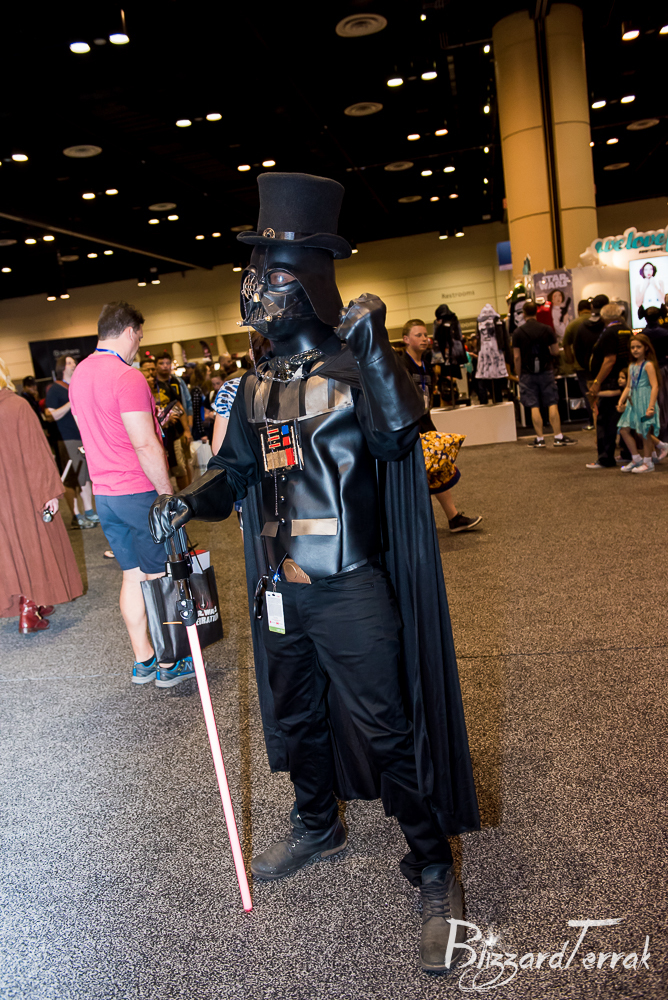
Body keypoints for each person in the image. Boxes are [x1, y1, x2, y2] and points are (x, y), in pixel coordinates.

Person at [150, 172, 480, 974]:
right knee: (294, 713)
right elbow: (234, 474)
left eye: (271, 274)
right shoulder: (253, 385)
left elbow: (401, 443)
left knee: (387, 725)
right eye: (254, 272)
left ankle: (431, 864)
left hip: (349, 582)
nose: (255, 289)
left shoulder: (358, 365)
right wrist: (188, 502)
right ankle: (316, 822)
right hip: (278, 588)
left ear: (311, 283)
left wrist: (378, 350)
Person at [69, 302, 195, 688]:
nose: (139, 343)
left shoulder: (79, 374)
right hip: (139, 492)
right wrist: (167, 495)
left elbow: (100, 431)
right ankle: (170, 662)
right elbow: (143, 444)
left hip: (106, 495)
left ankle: (144, 660)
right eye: (139, 335)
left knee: (132, 575)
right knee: (159, 576)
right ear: (128, 331)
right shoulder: (128, 376)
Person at [0, 358, 83, 634]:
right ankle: (29, 609)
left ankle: (36, 599)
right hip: (23, 493)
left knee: (11, 549)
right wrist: (48, 491)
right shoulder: (16, 405)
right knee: (34, 544)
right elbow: (35, 452)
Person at [400, 319, 481, 532]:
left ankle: (453, 518)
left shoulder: (426, 365)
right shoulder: (401, 366)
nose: (424, 339)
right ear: (406, 339)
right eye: (418, 335)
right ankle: (416, 527)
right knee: (419, 477)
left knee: (438, 470)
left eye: (425, 335)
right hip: (409, 428)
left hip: (426, 424)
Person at [45, 355, 99, 529]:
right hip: (65, 439)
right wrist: (71, 401)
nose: (73, 364)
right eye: (69, 363)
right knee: (71, 479)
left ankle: (89, 511)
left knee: (84, 477)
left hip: (81, 437)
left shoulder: (77, 385)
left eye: (74, 362)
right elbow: (51, 415)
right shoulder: (55, 389)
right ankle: (76, 515)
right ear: (62, 367)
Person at [512, 301, 576, 448]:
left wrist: (519, 374)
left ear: (523, 313)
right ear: (536, 312)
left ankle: (540, 439)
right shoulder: (547, 329)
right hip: (546, 370)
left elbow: (516, 356)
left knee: (534, 405)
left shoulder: (518, 332)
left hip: (527, 373)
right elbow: (555, 351)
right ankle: (558, 436)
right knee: (552, 402)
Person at [585, 302, 630, 469]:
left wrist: (597, 381)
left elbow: (609, 359)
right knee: (624, 418)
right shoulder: (626, 329)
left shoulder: (610, 333)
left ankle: (605, 458)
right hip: (623, 378)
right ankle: (627, 452)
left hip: (610, 380)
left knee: (606, 420)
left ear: (604, 317)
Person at [616, 334, 665, 473]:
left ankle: (648, 463)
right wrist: (621, 401)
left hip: (645, 401)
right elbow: (628, 386)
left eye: (638, 347)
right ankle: (636, 458)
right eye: (633, 347)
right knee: (623, 429)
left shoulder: (648, 365)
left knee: (644, 432)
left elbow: (655, 386)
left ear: (646, 348)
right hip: (633, 402)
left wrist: (651, 406)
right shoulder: (631, 366)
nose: (635, 350)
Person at [154, 352, 193, 489]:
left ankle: (187, 494)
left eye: (167, 363)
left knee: (182, 465)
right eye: (161, 363)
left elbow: (183, 405)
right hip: (158, 432)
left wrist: (188, 428)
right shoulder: (151, 384)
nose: (165, 366)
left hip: (177, 430)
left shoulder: (177, 382)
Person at [562, 299, 594, 428]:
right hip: (599, 364)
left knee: (587, 394)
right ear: (590, 309)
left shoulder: (573, 324)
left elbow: (566, 344)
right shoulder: (599, 321)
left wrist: (570, 360)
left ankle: (592, 421)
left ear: (578, 310)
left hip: (581, 365)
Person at [475, 304, 511, 404]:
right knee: (489, 382)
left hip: (493, 352)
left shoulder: (498, 323)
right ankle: (492, 401)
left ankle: (496, 401)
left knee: (495, 383)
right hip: (488, 352)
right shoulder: (480, 323)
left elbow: (505, 340)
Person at [642, 306, 668, 442]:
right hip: (663, 368)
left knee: (650, 401)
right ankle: (664, 434)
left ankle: (653, 434)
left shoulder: (642, 335)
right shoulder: (665, 333)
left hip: (647, 370)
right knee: (664, 401)